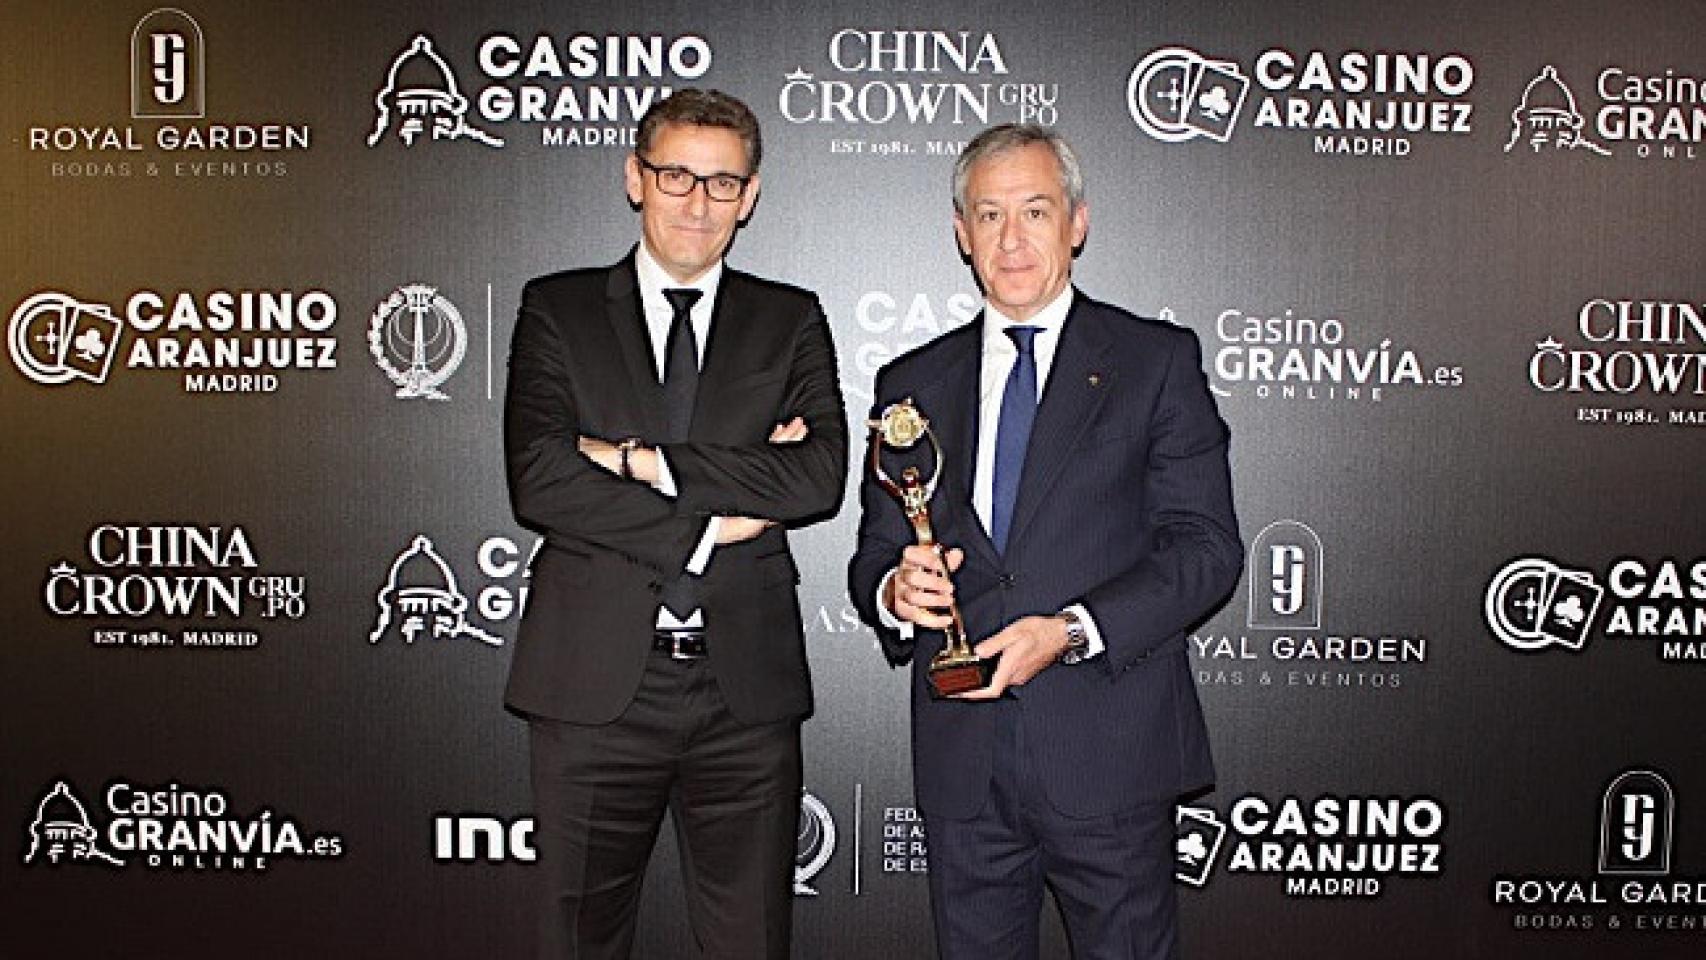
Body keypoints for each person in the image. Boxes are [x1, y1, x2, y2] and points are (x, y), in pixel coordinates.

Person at [849, 124, 1241, 959]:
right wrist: (895, 593)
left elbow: (1205, 549)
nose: (1012, 238)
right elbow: (875, 551)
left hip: (1110, 757)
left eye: (1035, 209)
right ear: (962, 234)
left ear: (1078, 222)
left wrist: (1068, 631)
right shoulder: (909, 384)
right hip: (965, 765)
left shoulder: (1154, 361)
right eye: (988, 216)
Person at [504, 88, 846, 960]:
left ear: (752, 195)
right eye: (676, 175)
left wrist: (638, 462)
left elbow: (817, 475)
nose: (698, 201)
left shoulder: (790, 316)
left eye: (722, 182)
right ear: (634, 177)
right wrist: (706, 527)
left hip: (745, 694)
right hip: (590, 689)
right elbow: (540, 476)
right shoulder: (559, 308)